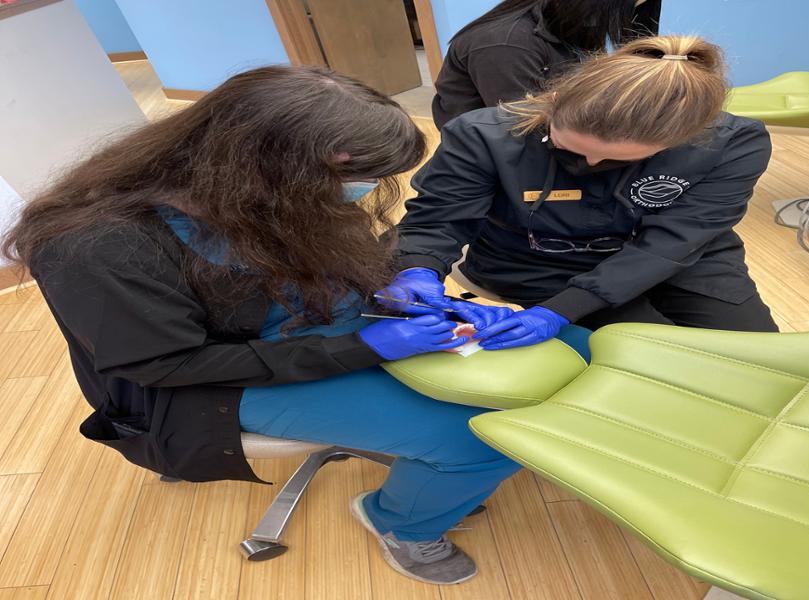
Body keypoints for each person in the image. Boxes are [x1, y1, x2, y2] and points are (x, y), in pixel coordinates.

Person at [1, 65, 536, 585]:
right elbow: (168, 364)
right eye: (351, 176)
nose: (362, 190)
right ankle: (398, 522)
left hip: (311, 331)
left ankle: (431, 477)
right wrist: (364, 345)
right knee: (481, 441)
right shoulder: (99, 244)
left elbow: (319, 261)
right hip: (212, 380)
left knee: (509, 387)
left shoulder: (260, 191)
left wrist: (393, 288)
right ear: (273, 162)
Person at [380, 35, 780, 349]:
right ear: (554, 102)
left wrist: (557, 314)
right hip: (538, 260)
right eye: (569, 150)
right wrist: (418, 266)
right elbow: (439, 220)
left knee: (757, 354)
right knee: (658, 355)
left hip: (678, 256)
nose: (588, 167)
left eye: (616, 161)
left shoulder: (732, 144)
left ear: (685, 139)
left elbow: (674, 242)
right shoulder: (483, 136)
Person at [432, 0, 662, 128]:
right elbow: (522, 127)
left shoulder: (570, 27)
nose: (629, 16)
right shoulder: (505, 44)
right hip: (494, 154)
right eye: (628, 8)